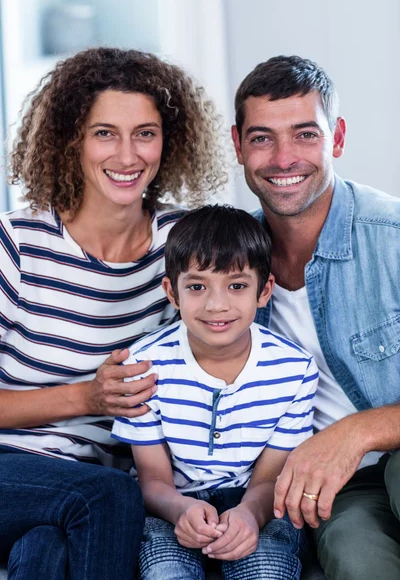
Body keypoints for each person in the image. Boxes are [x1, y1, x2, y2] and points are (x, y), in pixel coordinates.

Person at [0, 47, 226, 580]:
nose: (128, 156)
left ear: (168, 141)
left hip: (85, 491)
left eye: (145, 133)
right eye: (105, 133)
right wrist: (88, 397)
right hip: (14, 472)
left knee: (46, 551)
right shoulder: (16, 244)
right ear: (71, 139)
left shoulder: (184, 245)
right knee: (109, 497)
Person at [231, 54, 400, 579]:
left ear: (337, 138)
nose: (284, 158)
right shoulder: (230, 266)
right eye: (262, 139)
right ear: (237, 145)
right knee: (356, 558)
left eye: (305, 134)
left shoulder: (391, 238)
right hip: (340, 492)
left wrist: (355, 433)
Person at [112, 205, 319, 580]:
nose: (216, 304)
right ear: (172, 293)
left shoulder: (295, 370)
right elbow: (153, 480)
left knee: (267, 569)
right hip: (171, 506)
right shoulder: (141, 366)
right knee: (165, 571)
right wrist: (179, 510)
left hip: (258, 504)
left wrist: (248, 515)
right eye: (197, 286)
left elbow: (269, 479)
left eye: (237, 285)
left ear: (264, 290)